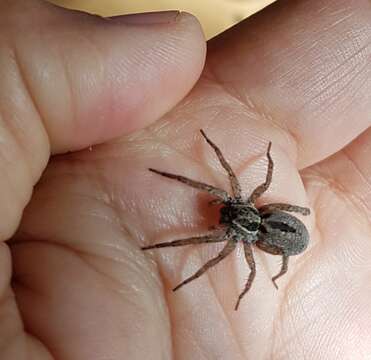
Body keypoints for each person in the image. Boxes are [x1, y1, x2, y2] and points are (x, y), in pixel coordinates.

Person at [1, 0, 370, 359]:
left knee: (215, 229)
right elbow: (232, 176)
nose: (229, 213)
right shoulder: (245, 204)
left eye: (231, 214)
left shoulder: (241, 236)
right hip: (275, 226)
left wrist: (240, 284)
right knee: (223, 185)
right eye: (233, 211)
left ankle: (162, 245)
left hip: (279, 232)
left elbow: (251, 265)